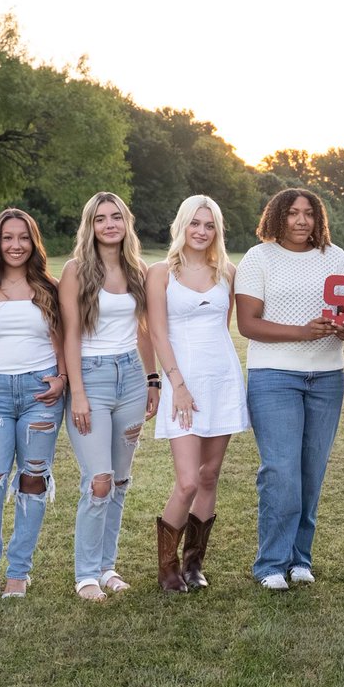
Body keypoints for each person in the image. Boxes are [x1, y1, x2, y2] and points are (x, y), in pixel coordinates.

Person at [235, 189, 344, 590]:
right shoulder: (259, 258)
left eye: (308, 214)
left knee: (311, 472)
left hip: (327, 377)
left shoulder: (336, 258)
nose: (301, 221)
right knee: (281, 472)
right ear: (277, 217)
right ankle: (271, 563)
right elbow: (249, 324)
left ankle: (300, 559)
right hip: (274, 377)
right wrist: (302, 333)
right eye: (292, 214)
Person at [0, 209, 66, 599]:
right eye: (8, 238)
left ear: (33, 242)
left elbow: (61, 343)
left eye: (23, 237)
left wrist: (63, 378)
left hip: (42, 394)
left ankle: (19, 571)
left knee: (33, 479)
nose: (16, 245)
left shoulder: (49, 288)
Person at [60, 192, 159, 602]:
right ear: (91, 226)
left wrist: (153, 380)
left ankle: (107, 567)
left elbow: (144, 330)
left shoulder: (139, 270)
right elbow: (69, 334)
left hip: (132, 379)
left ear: (125, 222)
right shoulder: (76, 271)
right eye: (100, 219)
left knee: (119, 481)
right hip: (92, 380)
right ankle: (85, 573)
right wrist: (78, 393)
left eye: (115, 217)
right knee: (98, 480)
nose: (109, 224)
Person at [148, 195, 248, 592]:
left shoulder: (227, 271)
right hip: (182, 384)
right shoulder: (160, 273)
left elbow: (222, 327)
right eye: (195, 224)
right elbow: (157, 332)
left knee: (209, 476)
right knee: (187, 480)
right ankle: (167, 565)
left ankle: (193, 564)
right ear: (182, 225)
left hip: (222, 380)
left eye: (209, 225)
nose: (202, 232)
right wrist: (179, 386)